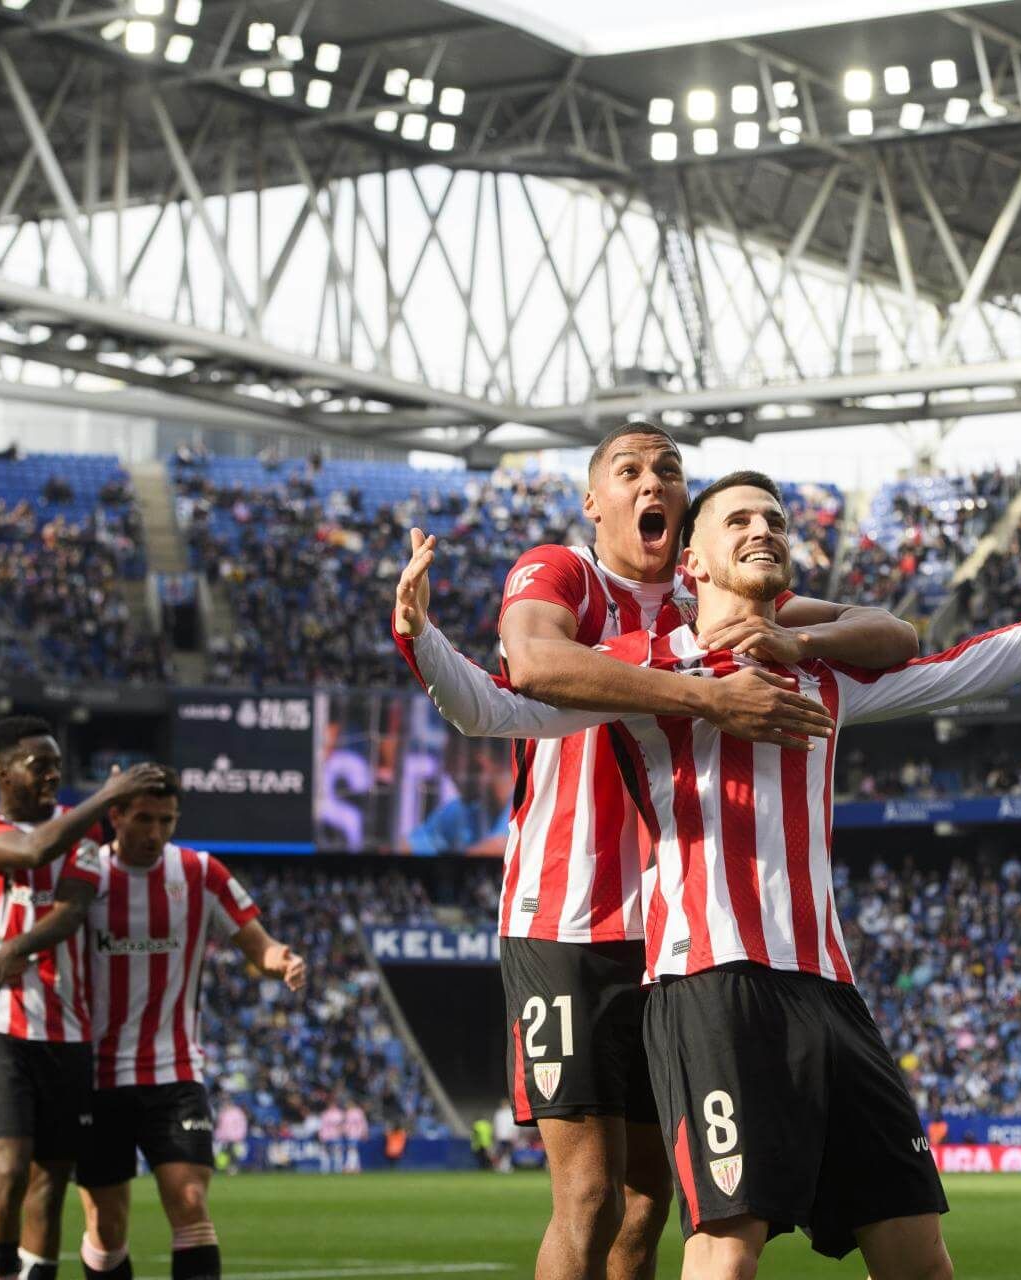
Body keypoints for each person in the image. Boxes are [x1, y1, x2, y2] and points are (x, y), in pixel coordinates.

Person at [397, 471, 1021, 1276]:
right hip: (713, 987)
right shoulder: (651, 673)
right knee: (726, 1252)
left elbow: (963, 665)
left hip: (830, 993)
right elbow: (496, 708)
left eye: (774, 520)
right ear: (693, 563)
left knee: (920, 1259)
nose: (764, 530)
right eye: (739, 519)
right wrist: (423, 638)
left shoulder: (822, 676)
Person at [392, 422, 918, 1280]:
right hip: (563, 918)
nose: (652, 483)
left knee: (648, 1201)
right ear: (592, 501)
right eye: (629, 469)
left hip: (673, 937)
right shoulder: (562, 572)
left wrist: (802, 642)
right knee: (590, 1194)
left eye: (669, 470)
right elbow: (532, 663)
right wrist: (705, 697)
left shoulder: (708, 594)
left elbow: (887, 632)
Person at [0, 764, 305, 1280]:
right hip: (97, 1075)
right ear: (115, 815)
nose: (155, 833)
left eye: (167, 820)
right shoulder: (84, 873)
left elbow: (260, 945)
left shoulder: (201, 872)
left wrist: (281, 960)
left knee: (190, 1200)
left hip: (174, 1070)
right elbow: (26, 939)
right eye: (144, 819)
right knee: (107, 1225)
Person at [0, 716, 169, 1280]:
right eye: (38, 765)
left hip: (66, 1030)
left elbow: (71, 912)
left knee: (49, 1181)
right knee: (6, 1169)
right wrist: (108, 795)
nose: (52, 775)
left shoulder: (83, 837)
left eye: (57, 766)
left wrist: (13, 948)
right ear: (3, 773)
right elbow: (29, 851)